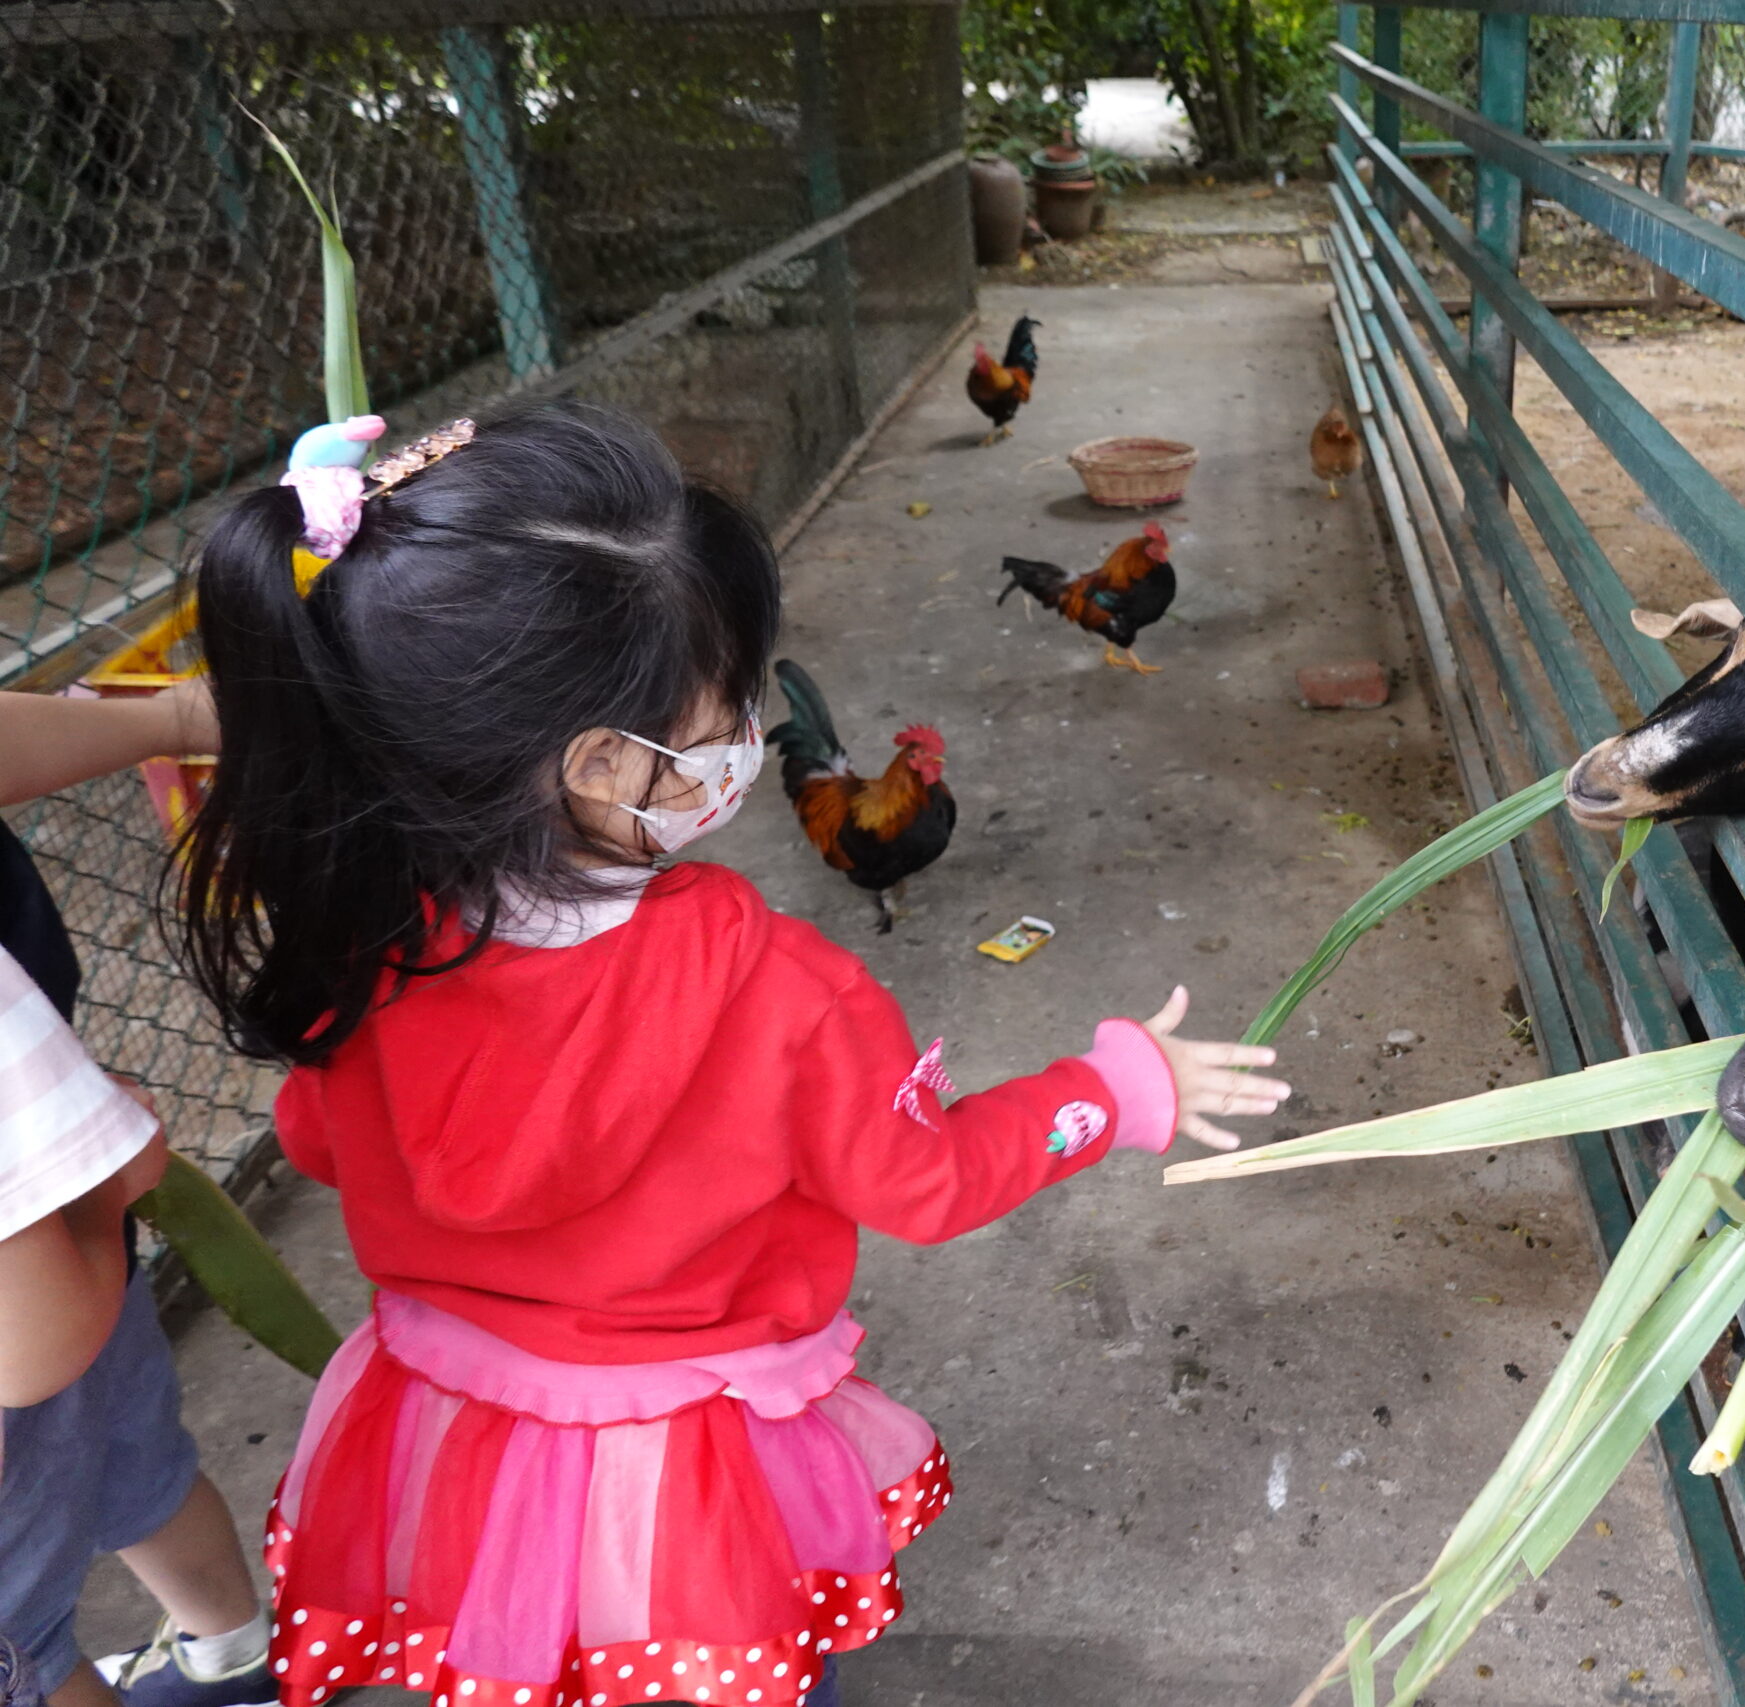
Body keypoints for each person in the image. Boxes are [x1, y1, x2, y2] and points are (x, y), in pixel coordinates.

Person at [173, 404, 1289, 1707]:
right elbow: (925, 1181)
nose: (745, 738)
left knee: (529, 1648)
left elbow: (319, 1138)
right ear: (600, 765)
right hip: (679, 1459)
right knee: (700, 1657)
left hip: (457, 1421)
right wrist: (1112, 1090)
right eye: (726, 706)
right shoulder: (777, 988)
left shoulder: (360, 934)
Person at [0, 684, 275, 1707]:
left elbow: (36, 1343)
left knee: (25, 1645)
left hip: (45, 1278)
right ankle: (234, 1652)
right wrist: (96, 1173)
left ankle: (232, 1657)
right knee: (133, 1465)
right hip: (59, 1241)